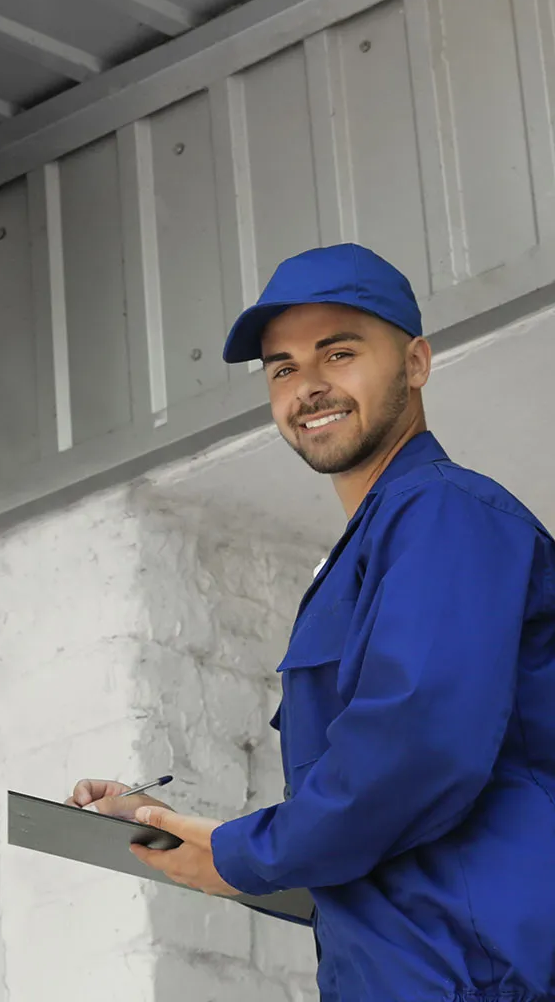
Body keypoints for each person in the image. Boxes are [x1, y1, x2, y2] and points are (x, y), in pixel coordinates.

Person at [68, 244, 555, 1002]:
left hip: (482, 975)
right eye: (284, 367)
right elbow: (369, 819)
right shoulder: (365, 553)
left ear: (417, 362)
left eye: (340, 352)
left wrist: (240, 854)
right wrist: (186, 830)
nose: (308, 386)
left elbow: (415, 751)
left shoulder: (445, 515)